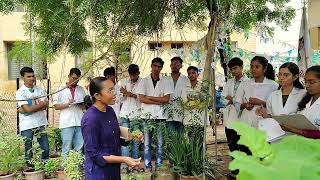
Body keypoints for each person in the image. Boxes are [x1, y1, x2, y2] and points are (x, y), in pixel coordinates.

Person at [81, 77, 143, 179]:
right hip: (99, 173)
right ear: (97, 96)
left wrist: (131, 136)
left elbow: (114, 134)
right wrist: (124, 159)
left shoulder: (110, 111)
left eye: (114, 89)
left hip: (113, 170)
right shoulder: (90, 119)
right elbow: (94, 154)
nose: (115, 93)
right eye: (110, 91)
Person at [135, 57, 173, 172]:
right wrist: (158, 101)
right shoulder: (143, 81)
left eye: (159, 66)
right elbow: (141, 98)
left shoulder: (165, 81)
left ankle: (159, 165)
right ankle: (147, 166)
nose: (156, 68)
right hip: (147, 116)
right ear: (151, 66)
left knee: (160, 143)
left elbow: (166, 99)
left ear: (161, 68)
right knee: (147, 143)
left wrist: (150, 97)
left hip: (160, 116)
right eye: (155, 66)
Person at [220, 58, 248, 179]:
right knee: (232, 146)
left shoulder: (248, 82)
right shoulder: (229, 82)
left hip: (243, 119)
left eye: (235, 68)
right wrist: (233, 100)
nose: (233, 71)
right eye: (231, 69)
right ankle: (235, 171)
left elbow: (246, 100)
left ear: (242, 67)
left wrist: (233, 99)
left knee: (243, 146)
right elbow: (222, 98)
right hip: (230, 119)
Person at [16, 67, 49, 167]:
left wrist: (29, 107)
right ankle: (31, 170)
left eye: (33, 76)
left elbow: (46, 106)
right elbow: (29, 109)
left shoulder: (40, 90)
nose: (31, 78)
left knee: (45, 147)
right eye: (28, 76)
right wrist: (39, 105)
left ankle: (45, 167)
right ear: (23, 78)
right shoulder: (20, 92)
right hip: (27, 124)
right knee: (28, 149)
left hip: (40, 122)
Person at [235, 56, 278, 129]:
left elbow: (276, 107)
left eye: (257, 67)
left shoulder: (273, 85)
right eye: (252, 67)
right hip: (246, 121)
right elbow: (236, 103)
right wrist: (245, 105)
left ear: (264, 69)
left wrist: (261, 102)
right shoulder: (245, 84)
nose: (253, 69)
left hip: (264, 123)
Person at [53, 68, 86, 157]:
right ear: (69, 76)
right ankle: (66, 169)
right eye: (74, 78)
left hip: (79, 121)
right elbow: (56, 106)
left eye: (77, 79)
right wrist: (68, 104)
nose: (75, 81)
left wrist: (81, 104)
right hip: (67, 122)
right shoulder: (61, 89)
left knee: (79, 147)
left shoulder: (81, 89)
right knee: (66, 147)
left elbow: (85, 106)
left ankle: (77, 168)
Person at [280, 65, 320, 139]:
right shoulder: (306, 100)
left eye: (311, 82)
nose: (307, 85)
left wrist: (294, 130)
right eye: (305, 82)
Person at [118, 64, 142, 173]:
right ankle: (124, 166)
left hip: (136, 116)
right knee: (124, 141)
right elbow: (120, 98)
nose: (132, 77)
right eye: (131, 75)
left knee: (136, 141)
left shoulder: (143, 82)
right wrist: (123, 94)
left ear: (138, 73)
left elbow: (143, 97)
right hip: (124, 115)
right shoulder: (124, 82)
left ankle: (135, 165)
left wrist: (130, 94)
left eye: (134, 75)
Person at [166, 56, 190, 134]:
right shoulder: (164, 79)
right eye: (172, 64)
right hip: (168, 113)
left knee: (180, 138)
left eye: (177, 64)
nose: (174, 66)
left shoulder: (186, 79)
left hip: (181, 112)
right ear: (170, 66)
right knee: (170, 137)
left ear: (181, 66)